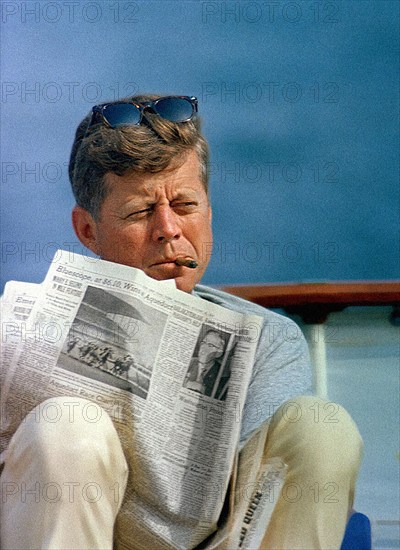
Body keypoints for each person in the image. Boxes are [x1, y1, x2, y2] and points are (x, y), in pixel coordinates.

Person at [0, 94, 363, 549]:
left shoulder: (268, 341)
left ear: (209, 212)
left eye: (186, 206)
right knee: (65, 424)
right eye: (140, 212)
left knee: (320, 425)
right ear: (87, 230)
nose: (168, 229)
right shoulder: (18, 332)